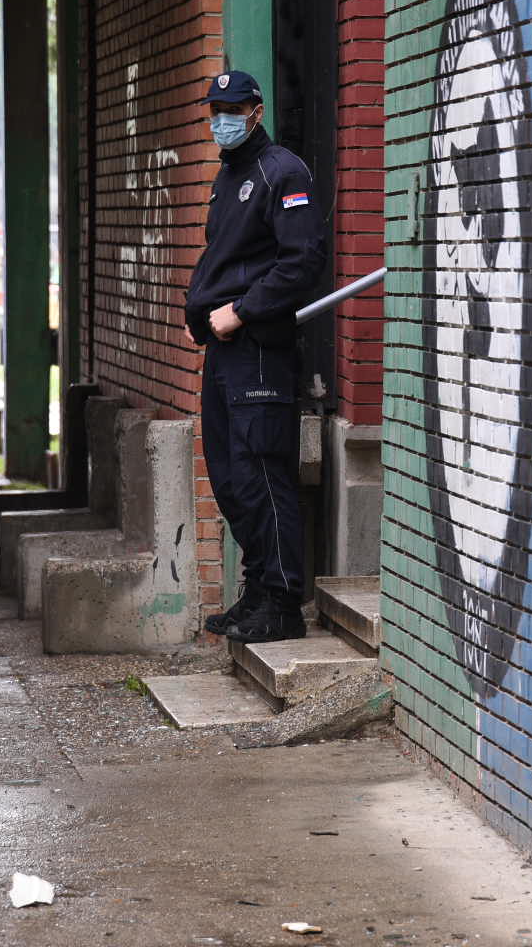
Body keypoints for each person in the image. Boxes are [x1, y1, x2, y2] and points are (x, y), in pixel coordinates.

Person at [184, 69, 327, 645]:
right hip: (226, 351)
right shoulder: (229, 176)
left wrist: (241, 310)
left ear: (256, 111)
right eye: (215, 109)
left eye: (234, 109)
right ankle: (259, 590)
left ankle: (283, 603)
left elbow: (301, 261)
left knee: (263, 472)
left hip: (258, 349)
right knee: (232, 477)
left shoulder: (282, 172)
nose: (223, 118)